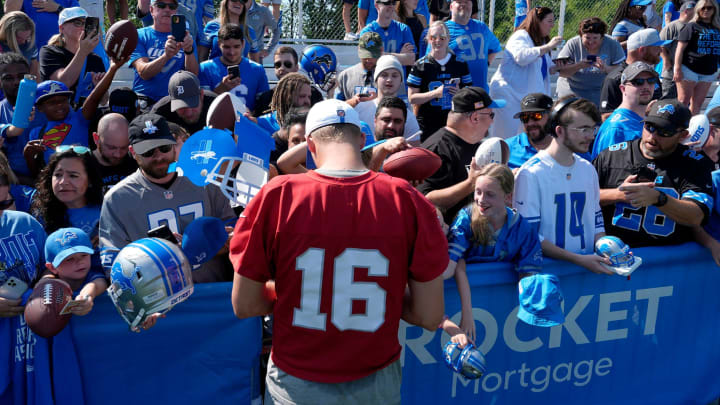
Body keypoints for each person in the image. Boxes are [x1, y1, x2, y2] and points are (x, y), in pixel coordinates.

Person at [230, 98, 446, 404]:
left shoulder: (277, 196)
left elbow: (246, 304)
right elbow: (429, 314)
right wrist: (373, 297)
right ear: (361, 139)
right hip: (374, 382)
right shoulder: (406, 199)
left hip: (298, 384)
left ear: (310, 146)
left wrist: (308, 291)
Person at [99, 113, 235, 283]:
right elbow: (113, 265)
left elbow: (233, 231)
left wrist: (205, 245)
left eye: (164, 148)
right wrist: (164, 256)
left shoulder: (205, 180)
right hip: (158, 300)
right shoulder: (117, 198)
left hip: (211, 292)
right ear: (133, 152)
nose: (159, 157)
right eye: (148, 151)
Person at [594, 99, 714, 246]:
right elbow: (581, 197)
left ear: (683, 135)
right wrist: (618, 195)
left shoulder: (695, 164)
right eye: (649, 126)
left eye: (664, 131)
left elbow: (697, 216)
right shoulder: (612, 156)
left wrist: (659, 199)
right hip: (617, 257)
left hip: (667, 261)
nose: (653, 136)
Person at [514, 97, 613, 275]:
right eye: (583, 129)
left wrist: (609, 249)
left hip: (586, 273)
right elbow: (530, 237)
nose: (591, 136)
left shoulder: (588, 169)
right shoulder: (531, 173)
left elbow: (596, 226)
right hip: (550, 275)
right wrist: (578, 260)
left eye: (592, 129)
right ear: (559, 131)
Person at [445, 163, 542, 341]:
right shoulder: (465, 220)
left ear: (508, 197)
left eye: (490, 194)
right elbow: (452, 265)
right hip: (456, 307)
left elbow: (528, 277)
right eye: (478, 191)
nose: (481, 200)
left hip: (502, 313)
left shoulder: (523, 229)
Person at [23, 55, 122, 177]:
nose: (59, 105)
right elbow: (37, 175)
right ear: (40, 108)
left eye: (63, 100)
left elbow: (94, 99)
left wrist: (113, 69)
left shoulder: (80, 118)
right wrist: (28, 156)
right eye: (52, 103)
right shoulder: (36, 133)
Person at [418, 86, 504, 225]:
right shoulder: (437, 149)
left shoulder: (476, 144)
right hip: (450, 238)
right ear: (475, 118)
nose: (492, 122)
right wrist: (470, 184)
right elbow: (424, 200)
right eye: (491, 115)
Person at [489, 6, 563, 139]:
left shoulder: (539, 41)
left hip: (525, 99)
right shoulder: (521, 36)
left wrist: (573, 65)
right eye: (549, 21)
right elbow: (521, 57)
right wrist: (548, 46)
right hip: (508, 94)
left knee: (525, 138)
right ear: (537, 21)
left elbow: (549, 69)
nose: (552, 25)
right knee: (506, 138)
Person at [408, 21, 472, 141]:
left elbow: (470, 92)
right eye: (433, 37)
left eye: (442, 37)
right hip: (428, 123)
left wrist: (460, 93)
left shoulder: (460, 63)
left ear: (448, 39)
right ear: (428, 39)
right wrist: (436, 93)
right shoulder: (420, 65)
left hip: (453, 122)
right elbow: (412, 98)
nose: (438, 41)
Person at [129, 0, 199, 107]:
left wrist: (188, 51)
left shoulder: (186, 38)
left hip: (176, 102)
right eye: (161, 5)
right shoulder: (139, 35)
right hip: (145, 102)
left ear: (176, 11)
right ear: (151, 10)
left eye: (172, 6)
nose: (167, 9)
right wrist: (166, 56)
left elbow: (193, 76)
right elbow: (144, 73)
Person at [31, 146, 103, 238]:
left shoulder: (106, 211)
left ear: (90, 180)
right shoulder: (40, 215)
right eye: (58, 175)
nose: (63, 182)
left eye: (73, 175)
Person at [599, 28, 669, 119]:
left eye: (650, 81)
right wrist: (642, 111)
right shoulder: (615, 79)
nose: (660, 50)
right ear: (642, 50)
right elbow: (605, 117)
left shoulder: (652, 74)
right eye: (656, 47)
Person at [198, 23, 269, 113]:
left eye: (236, 47)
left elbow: (265, 106)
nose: (232, 52)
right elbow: (202, 108)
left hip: (247, 125)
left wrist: (251, 116)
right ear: (219, 44)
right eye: (226, 47)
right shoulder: (205, 69)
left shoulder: (257, 70)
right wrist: (222, 89)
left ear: (243, 44)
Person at [592, 62, 657, 159]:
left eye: (651, 80)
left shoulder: (647, 120)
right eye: (638, 82)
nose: (646, 86)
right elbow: (610, 170)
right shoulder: (616, 129)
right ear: (623, 89)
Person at [555, 17, 625, 107]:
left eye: (595, 38)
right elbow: (562, 72)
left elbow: (622, 70)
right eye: (587, 38)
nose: (591, 42)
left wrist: (605, 68)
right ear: (581, 36)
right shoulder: (572, 44)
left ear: (602, 37)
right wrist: (579, 65)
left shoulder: (612, 43)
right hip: (572, 91)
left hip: (599, 91)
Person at [39, 7, 104, 103]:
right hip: (58, 114)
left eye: (86, 24)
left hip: (84, 115)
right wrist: (82, 52)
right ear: (62, 28)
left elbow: (103, 100)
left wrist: (99, 87)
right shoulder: (49, 52)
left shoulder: (95, 59)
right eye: (78, 23)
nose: (83, 28)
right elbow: (61, 84)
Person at [0, 52, 45, 184]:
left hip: (52, 178)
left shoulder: (47, 105)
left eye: (21, 76)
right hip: (15, 185)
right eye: (8, 78)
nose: (16, 82)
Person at [351, 55, 420, 138]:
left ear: (401, 81)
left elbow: (414, 148)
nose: (389, 80)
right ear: (376, 79)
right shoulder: (359, 110)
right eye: (384, 75)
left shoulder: (408, 117)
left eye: (394, 76)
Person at [41, 227, 107, 311]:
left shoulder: (92, 275)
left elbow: (97, 284)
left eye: (84, 255)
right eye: (69, 259)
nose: (80, 262)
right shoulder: (51, 284)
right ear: (52, 267)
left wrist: (85, 297)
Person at [674, 0, 720, 114]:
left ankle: (691, 130)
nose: (705, 10)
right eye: (702, 8)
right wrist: (677, 68)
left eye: (709, 8)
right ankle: (677, 129)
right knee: (683, 102)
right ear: (697, 10)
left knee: (697, 106)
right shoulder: (691, 26)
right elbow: (680, 49)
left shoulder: (718, 28)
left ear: (714, 10)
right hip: (689, 68)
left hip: (709, 71)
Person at [445, 0, 501, 90]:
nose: (463, 4)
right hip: (457, 94)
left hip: (481, 92)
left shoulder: (481, 26)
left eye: (467, 2)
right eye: (459, 2)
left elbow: (495, 48)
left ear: (472, 6)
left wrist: (486, 64)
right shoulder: (443, 30)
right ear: (451, 7)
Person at [253, 47, 323, 117]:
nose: (282, 68)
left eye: (287, 64)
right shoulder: (266, 98)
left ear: (296, 67)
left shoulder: (313, 94)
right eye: (278, 65)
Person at [151, 70, 218, 135]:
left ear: (202, 95)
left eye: (192, 105)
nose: (188, 113)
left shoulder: (217, 105)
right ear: (172, 100)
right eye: (181, 107)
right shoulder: (160, 113)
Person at [4, 0, 79, 54]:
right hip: (31, 54)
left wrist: (58, 8)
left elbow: (80, 19)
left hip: (62, 53)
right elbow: (9, 16)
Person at [89, 113, 138, 194]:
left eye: (124, 147)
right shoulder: (84, 165)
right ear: (96, 139)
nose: (118, 155)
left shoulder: (136, 161)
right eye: (112, 148)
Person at [359, 0, 416, 67]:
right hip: (375, 77)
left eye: (393, 3)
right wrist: (401, 56)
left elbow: (411, 59)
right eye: (387, 3)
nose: (391, 6)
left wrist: (380, 55)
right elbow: (369, 61)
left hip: (397, 76)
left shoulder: (403, 29)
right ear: (377, 6)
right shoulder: (367, 31)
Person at [506, 93, 554, 169]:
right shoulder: (506, 148)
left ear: (551, 116)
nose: (530, 123)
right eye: (525, 118)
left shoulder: (565, 147)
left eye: (536, 116)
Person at [660, 1, 695, 99]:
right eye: (695, 11)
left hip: (689, 73)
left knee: (685, 102)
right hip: (671, 73)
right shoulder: (672, 27)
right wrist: (666, 60)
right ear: (686, 11)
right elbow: (660, 46)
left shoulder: (695, 27)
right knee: (668, 100)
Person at [334, 32, 382, 102]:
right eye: (365, 55)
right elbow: (338, 107)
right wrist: (353, 102)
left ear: (381, 51)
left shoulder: (389, 76)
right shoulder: (345, 76)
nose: (368, 59)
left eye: (372, 55)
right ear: (358, 50)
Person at [0, 11, 39, 78]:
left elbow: (34, 72)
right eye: (19, 38)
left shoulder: (30, 46)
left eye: (27, 37)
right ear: (8, 34)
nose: (23, 42)